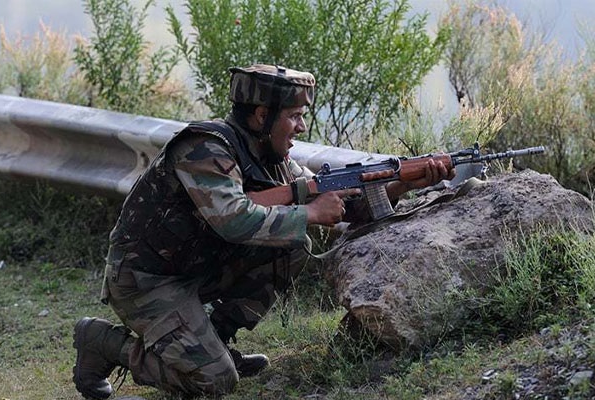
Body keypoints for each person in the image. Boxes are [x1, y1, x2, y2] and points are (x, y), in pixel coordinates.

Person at [72, 64, 452, 399]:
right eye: (294, 116)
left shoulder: (272, 159)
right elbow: (234, 220)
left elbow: (344, 209)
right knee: (215, 381)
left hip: (196, 268)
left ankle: (215, 339)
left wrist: (404, 182)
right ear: (261, 115)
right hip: (146, 280)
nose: (301, 126)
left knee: (292, 245)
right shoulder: (205, 148)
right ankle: (104, 343)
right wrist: (308, 211)